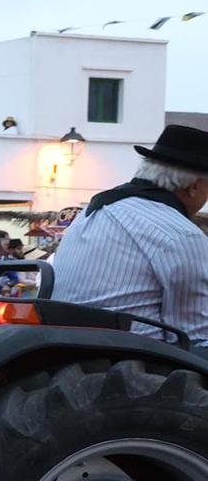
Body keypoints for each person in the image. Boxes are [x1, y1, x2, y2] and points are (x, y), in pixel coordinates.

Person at [52, 123, 208, 342]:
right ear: (195, 186)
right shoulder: (181, 234)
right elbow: (195, 335)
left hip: (67, 349)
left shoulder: (94, 209)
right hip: (136, 360)